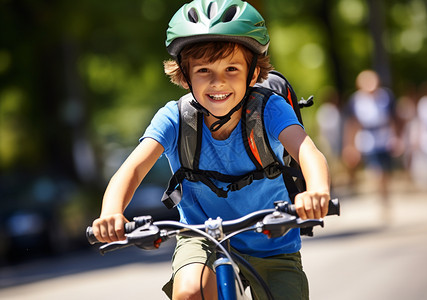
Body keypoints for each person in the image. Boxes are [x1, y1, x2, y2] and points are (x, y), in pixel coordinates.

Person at [91, 1, 331, 299]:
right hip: (201, 236)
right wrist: (111, 212)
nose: (218, 81)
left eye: (232, 68)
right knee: (190, 292)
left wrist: (317, 190)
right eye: (204, 70)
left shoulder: (269, 109)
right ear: (185, 75)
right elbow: (133, 168)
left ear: (254, 73)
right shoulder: (175, 118)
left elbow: (308, 151)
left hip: (271, 239)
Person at [342, 69, 397, 220]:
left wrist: (396, 138)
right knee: (376, 172)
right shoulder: (356, 100)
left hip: (385, 138)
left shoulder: (385, 97)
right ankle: (383, 202)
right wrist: (350, 146)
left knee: (386, 173)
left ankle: (386, 197)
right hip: (367, 139)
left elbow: (393, 119)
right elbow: (352, 124)